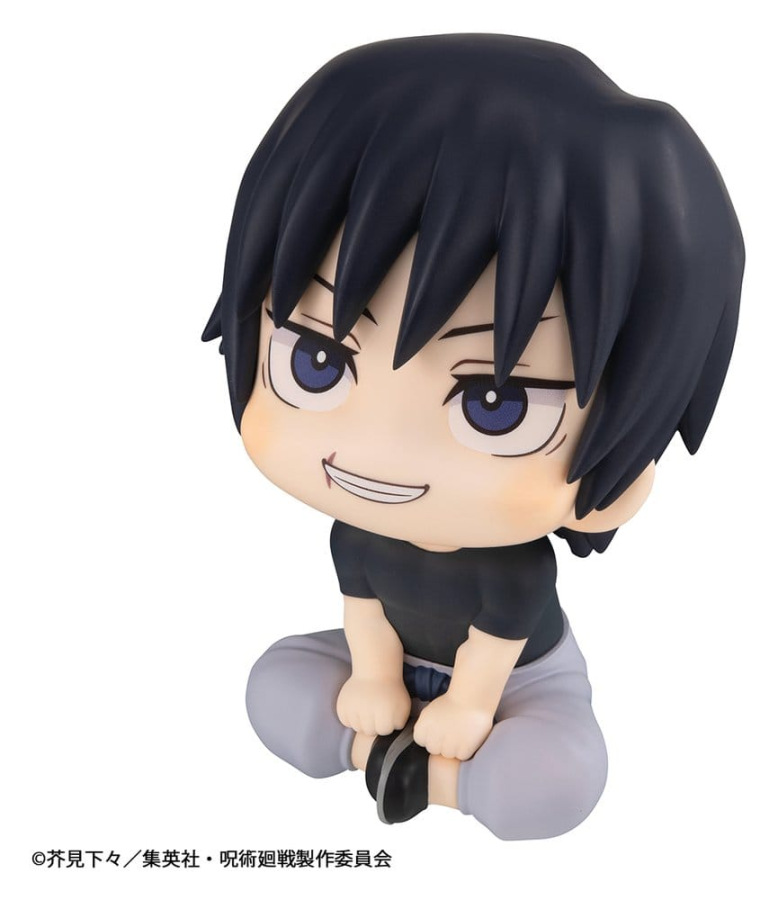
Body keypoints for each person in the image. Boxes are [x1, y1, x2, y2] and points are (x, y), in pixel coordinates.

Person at [203, 34, 743, 839]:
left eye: (498, 403)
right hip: (390, 677)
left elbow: (495, 652)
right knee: (274, 685)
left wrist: (466, 710)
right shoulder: (358, 533)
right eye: (318, 361)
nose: (380, 452)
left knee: (554, 782)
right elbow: (363, 616)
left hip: (517, 686)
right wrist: (374, 682)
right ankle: (389, 757)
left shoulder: (512, 565)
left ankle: (428, 780)